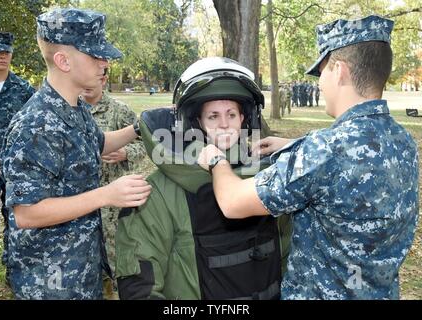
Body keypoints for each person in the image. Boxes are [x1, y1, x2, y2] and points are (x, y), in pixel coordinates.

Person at [197, 15, 419, 299]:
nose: (321, 83)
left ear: (338, 70)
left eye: (322, 72)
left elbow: (232, 202)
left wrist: (217, 161)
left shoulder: (324, 152)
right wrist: (296, 145)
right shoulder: (402, 140)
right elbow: (358, 158)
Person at [0, 8, 151, 300]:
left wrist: (139, 127)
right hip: (49, 280)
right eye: (95, 56)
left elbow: (97, 144)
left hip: (81, 267)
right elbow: (26, 213)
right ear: (63, 60)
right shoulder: (34, 125)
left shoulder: (75, 107)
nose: (104, 63)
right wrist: (107, 195)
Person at [116, 57, 292, 300]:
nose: (224, 124)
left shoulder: (268, 177)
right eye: (213, 116)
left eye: (231, 114)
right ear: (197, 123)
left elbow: (287, 256)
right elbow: (139, 289)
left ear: (244, 118)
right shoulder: (160, 192)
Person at [81, 75, 148, 298]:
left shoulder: (120, 111)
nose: (89, 84)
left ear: (104, 80)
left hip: (113, 206)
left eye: (96, 79)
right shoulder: (72, 111)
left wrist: (125, 153)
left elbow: (144, 145)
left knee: (116, 258)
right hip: (80, 203)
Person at [0, 30, 35, 296]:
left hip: (16, 169)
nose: (2, 56)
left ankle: (15, 271)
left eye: (6, 52)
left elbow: (34, 126)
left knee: (18, 221)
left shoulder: (24, 89)